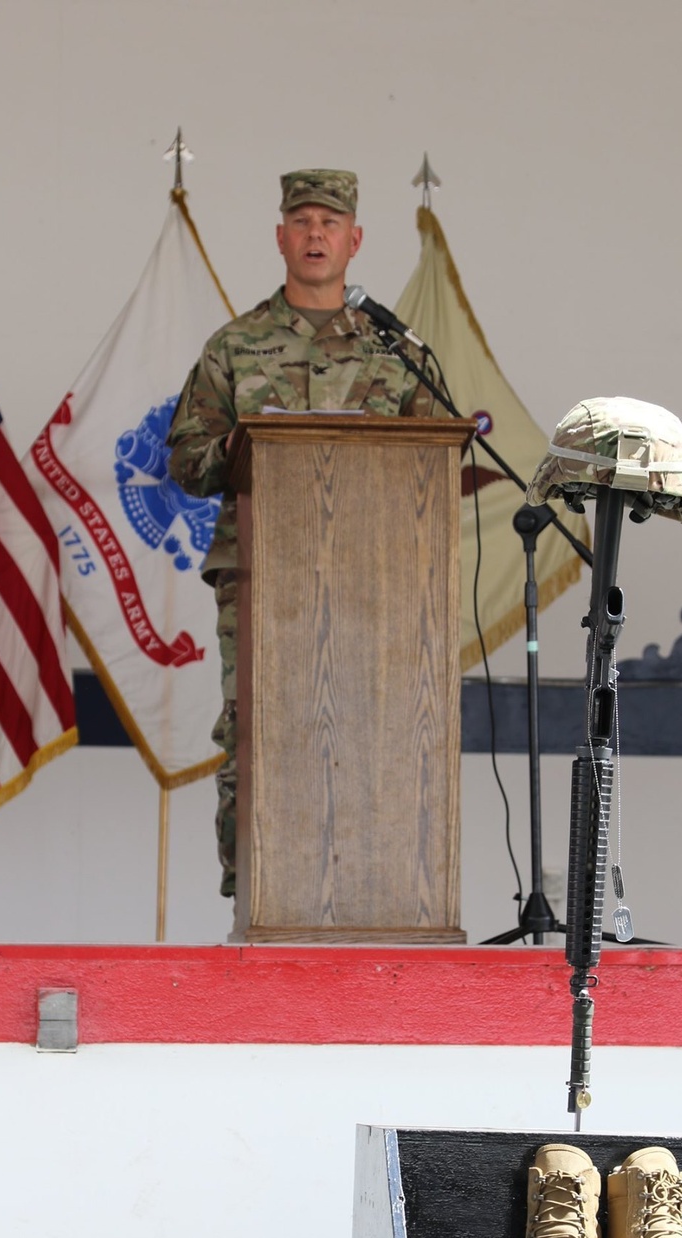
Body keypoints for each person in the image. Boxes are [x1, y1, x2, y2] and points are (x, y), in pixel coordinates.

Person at [167, 168, 437, 898]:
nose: (315, 234)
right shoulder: (234, 346)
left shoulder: (396, 351)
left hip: (370, 577)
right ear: (281, 238)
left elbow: (433, 454)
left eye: (330, 223)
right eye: (302, 221)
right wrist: (244, 447)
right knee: (257, 735)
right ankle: (253, 893)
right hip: (260, 576)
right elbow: (186, 462)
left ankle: (373, 889)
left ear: (354, 241)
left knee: (370, 732)